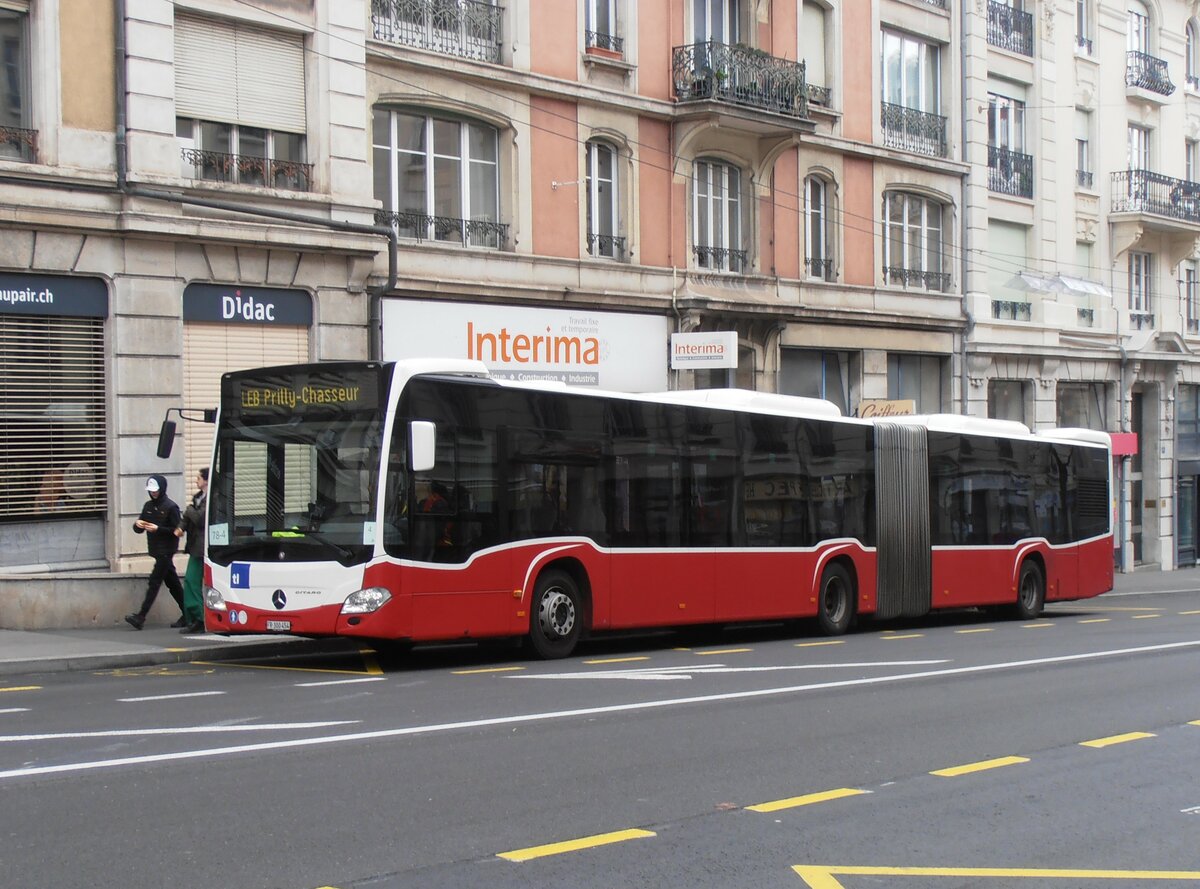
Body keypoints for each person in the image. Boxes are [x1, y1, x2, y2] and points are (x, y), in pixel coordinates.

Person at [124, 474, 186, 630]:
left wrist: (159, 529)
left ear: (162, 489)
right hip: (156, 550)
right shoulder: (148, 506)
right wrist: (138, 525)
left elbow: (176, 530)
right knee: (173, 585)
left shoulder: (171, 507)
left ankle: (141, 616)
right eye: (151, 490)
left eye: (155, 490)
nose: (153, 493)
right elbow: (139, 528)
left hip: (166, 551)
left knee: (155, 582)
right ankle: (190, 614)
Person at [174, 468, 208, 634]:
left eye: (199, 478)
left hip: (203, 548)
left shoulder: (213, 497)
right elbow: (187, 519)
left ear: (206, 480)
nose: (196, 481)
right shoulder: (198, 498)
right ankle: (194, 617)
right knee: (190, 582)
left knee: (192, 582)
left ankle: (199, 618)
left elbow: (201, 518)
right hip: (196, 547)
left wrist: (188, 510)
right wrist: (180, 528)